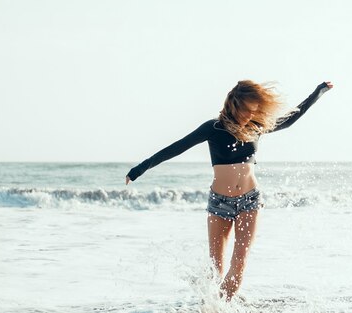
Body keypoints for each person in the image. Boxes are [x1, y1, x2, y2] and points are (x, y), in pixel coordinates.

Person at [125, 80, 333, 301]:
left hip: (250, 200)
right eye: (245, 110)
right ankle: (211, 303)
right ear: (234, 104)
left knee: (240, 261)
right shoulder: (213, 128)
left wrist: (317, 92)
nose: (248, 115)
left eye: (253, 110)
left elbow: (290, 119)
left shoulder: (255, 126)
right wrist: (139, 169)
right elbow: (176, 148)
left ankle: (222, 307)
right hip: (219, 202)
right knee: (215, 269)